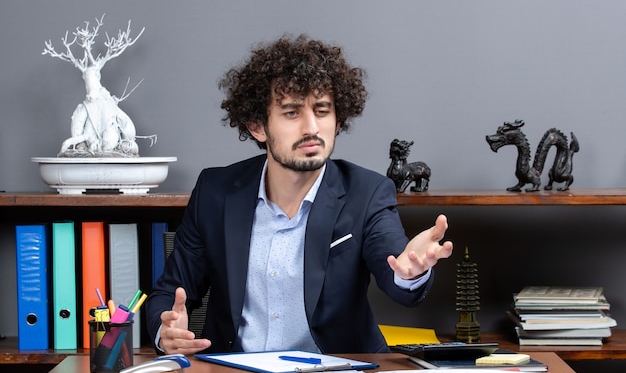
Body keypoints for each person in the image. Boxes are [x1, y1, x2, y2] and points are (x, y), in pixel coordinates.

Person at [145, 34, 453, 355]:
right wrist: (164, 331)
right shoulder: (216, 191)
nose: (311, 127)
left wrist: (411, 271)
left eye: (322, 111)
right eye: (292, 113)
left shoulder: (367, 192)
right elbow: (171, 290)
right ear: (257, 126)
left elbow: (398, 274)